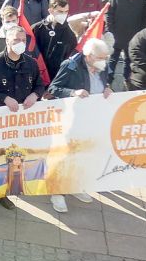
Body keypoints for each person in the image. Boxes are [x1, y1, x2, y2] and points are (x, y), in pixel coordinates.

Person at [0, 25, 45, 217]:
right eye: (15, 40)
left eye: (23, 40)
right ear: (7, 41)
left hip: (21, 124)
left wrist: (35, 94)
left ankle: (3, 193)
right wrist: (3, 99)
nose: (20, 44)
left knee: (14, 158)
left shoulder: (30, 63)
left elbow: (40, 84)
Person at [46, 37, 114, 211]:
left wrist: (107, 87)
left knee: (82, 155)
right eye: (100, 58)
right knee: (64, 156)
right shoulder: (71, 66)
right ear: (89, 56)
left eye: (105, 58)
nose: (104, 61)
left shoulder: (102, 67)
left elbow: (104, 82)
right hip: (71, 120)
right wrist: (73, 92)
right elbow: (54, 89)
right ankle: (57, 193)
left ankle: (74, 186)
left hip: (91, 121)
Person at [106, 0, 146, 82]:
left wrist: (140, 34)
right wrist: (111, 31)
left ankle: (127, 84)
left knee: (129, 62)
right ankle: (107, 83)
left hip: (133, 36)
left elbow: (145, 17)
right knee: (112, 61)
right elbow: (109, 14)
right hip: (116, 35)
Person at [32, 0, 76, 80]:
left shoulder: (70, 31)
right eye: (60, 12)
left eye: (66, 12)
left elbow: (72, 54)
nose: (64, 14)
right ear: (51, 11)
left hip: (58, 76)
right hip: (38, 75)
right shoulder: (37, 28)